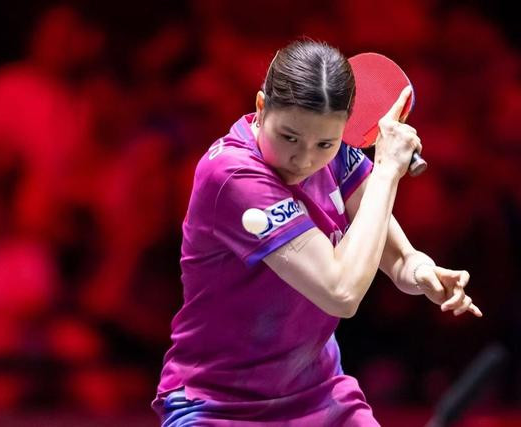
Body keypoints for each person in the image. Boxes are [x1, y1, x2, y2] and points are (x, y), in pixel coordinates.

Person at [152, 40, 481, 426]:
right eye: (289, 137)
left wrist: (422, 272)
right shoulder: (231, 175)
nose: (304, 158)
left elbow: (398, 259)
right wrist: (387, 171)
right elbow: (340, 292)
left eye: (324, 142)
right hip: (218, 404)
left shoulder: (339, 156)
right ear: (261, 106)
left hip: (320, 396)